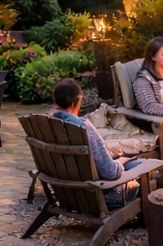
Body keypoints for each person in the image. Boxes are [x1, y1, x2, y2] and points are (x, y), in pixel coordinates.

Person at [47, 77, 133, 206]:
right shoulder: (82, 127)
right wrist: (121, 162)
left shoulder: (48, 124)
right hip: (95, 195)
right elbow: (110, 172)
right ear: (74, 103)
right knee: (138, 166)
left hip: (65, 192)